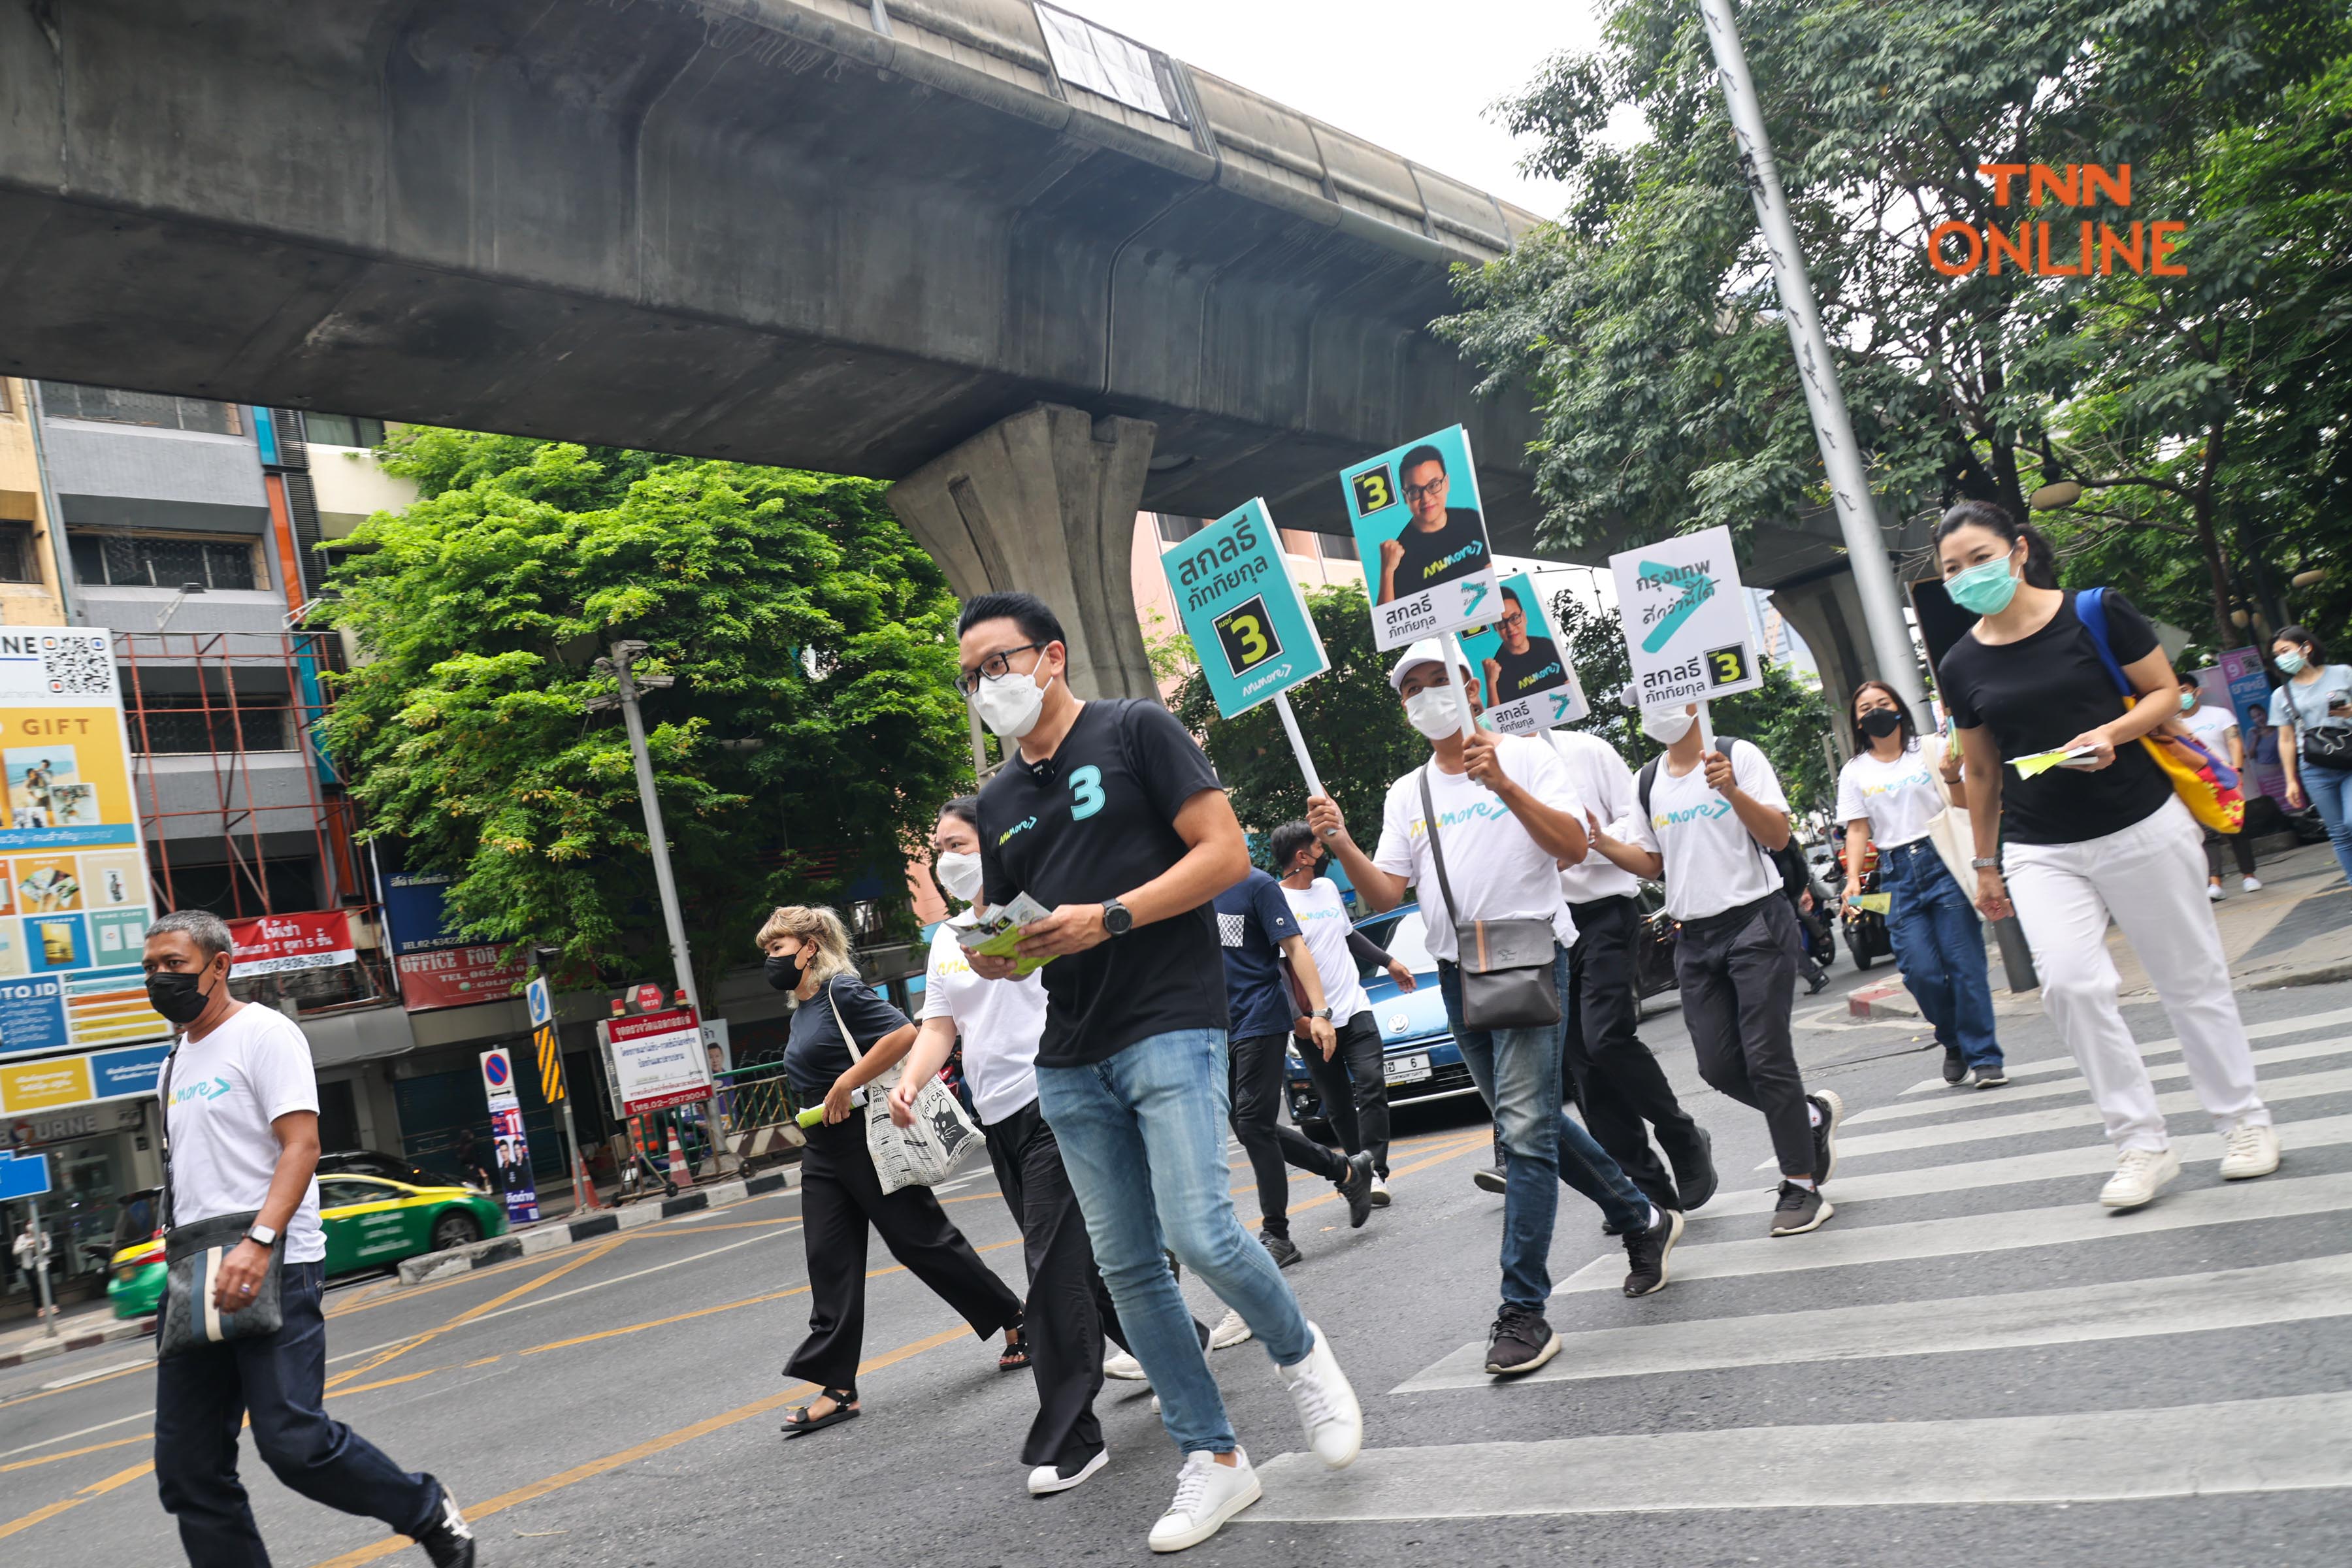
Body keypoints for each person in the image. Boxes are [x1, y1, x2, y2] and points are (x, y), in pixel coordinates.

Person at [958, 591, 1361, 1554]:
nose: (987, 688)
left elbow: (1223, 854)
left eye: (999, 664)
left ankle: (1302, 1357)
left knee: (1200, 1227)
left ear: (1052, 656)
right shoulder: (999, 799)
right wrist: (995, 952)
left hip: (1171, 1018)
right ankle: (1215, 1457)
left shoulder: (1136, 728)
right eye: (971, 676)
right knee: (1132, 1267)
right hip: (1070, 1051)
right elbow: (1019, 925)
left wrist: (1110, 916)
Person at [1311, 640, 1678, 1378]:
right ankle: (1642, 1216)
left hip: (1531, 956)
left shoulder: (1531, 758)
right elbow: (1387, 895)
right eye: (1410, 689)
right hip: (1457, 972)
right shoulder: (1406, 793)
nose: (1424, 697)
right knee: (1531, 1122)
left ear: (1469, 683)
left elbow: (1574, 848)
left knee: (1522, 1133)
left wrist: (1505, 784)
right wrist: (1341, 841)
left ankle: (1524, 1311)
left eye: (1435, 680)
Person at [1934, 500, 2278, 1209]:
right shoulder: (1960, 661)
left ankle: (2244, 1123)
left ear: (2019, 551)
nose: (1967, 576)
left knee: (2190, 980)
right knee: (2069, 986)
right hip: (2038, 847)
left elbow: (2164, 697)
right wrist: (1986, 863)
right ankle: (2141, 1144)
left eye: (1979, 559)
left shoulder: (2094, 611)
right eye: (1952, 569)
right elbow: (1982, 772)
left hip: (2140, 823)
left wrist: (2113, 734)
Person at [143, 910, 474, 1568]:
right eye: (151, 968)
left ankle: (426, 1509)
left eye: (173, 965)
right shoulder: (173, 1061)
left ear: (219, 965)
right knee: (188, 1468)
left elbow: (302, 1145)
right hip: (199, 1270)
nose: (160, 978)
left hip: (276, 1259)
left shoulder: (266, 1034)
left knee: (293, 1442)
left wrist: (261, 1241)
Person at [890, 798, 1128, 1496]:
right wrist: (910, 1081)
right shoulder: (946, 938)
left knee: (1049, 1271)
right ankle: (1184, 1349)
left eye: (956, 842)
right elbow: (940, 1026)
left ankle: (1074, 1437)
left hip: (1058, 1101)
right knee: (1089, 1267)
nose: (943, 857)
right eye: (937, 846)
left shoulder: (1034, 908)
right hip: (1000, 1120)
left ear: (991, 848)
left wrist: (1008, 930)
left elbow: (1030, 976)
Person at [759, 904, 1025, 1437]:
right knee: (828, 1259)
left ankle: (1015, 1320)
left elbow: (905, 1033)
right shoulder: (801, 1008)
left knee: (920, 1241)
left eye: (779, 949)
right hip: (822, 1148)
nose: (771, 959)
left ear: (810, 948)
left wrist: (845, 1083)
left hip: (865, 1137)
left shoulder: (841, 992)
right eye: (767, 951)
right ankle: (838, 1387)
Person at [1586, 702, 1846, 1238]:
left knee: (1767, 1056)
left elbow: (1777, 836)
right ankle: (1809, 1116)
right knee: (1720, 1067)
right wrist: (1602, 842)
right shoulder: (1648, 780)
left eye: (1664, 697)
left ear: (1692, 698)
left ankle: (1801, 1184)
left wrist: (1731, 790)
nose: (1654, 711)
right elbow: (1652, 862)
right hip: (1695, 937)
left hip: (1756, 921)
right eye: (1646, 701)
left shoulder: (1737, 756)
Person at [1543, 725, 1718, 1214]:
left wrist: (1586, 840)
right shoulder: (1487, 776)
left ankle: (1682, 1136)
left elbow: (1639, 827)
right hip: (1542, 930)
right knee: (1585, 1071)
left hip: (1602, 912)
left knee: (1605, 1039)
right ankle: (1647, 1193)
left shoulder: (1586, 750)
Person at [1835, 681, 2006, 1090]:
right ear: (1857, 720)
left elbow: (1966, 806)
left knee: (1965, 966)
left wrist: (1951, 778)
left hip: (1942, 860)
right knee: (1919, 972)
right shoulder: (1855, 771)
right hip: (1894, 875)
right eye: (1865, 708)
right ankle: (1951, 1039)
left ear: (1898, 708)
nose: (1874, 711)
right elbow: (1858, 829)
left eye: (1883, 703)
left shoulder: (1930, 749)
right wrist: (1854, 878)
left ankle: (1984, 1056)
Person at [1213, 864, 1378, 1266]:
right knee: (1253, 1127)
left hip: (1260, 1018)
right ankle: (1346, 1172)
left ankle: (1278, 1234)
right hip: (1215, 1026)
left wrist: (1319, 1011)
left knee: (1253, 1123)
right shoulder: (1186, 888)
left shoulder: (1256, 884)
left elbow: (1295, 947)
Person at [1269, 821, 1411, 1201]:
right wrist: (1297, 1018)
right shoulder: (1277, 900)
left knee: (1371, 1085)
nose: (1324, 851)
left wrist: (1389, 960)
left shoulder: (1328, 888)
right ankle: (1355, 1169)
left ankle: (1376, 1171)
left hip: (1355, 1006)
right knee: (1337, 1104)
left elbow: (1348, 935)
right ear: (1303, 856)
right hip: (1315, 1022)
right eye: (1319, 846)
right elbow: (1280, 965)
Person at [2268, 624, 2352, 888]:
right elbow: (2286, 739)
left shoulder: (2342, 673)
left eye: (2286, 650)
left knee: (2351, 821)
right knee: (2338, 832)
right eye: (2277, 655)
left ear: (2306, 648)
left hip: (2349, 757)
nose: (2282, 658)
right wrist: (2291, 780)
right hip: (2314, 767)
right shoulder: (2282, 695)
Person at [2167, 678, 2261, 900]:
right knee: (2207, 835)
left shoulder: (2219, 715)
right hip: (2194, 783)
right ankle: (2215, 883)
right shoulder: (2170, 723)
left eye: (2185, 690)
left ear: (2197, 692)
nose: (2182, 696)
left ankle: (2249, 876)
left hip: (2224, 780)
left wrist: (2237, 771)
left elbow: (2234, 743)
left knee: (2236, 828)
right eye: (2176, 692)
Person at [1374, 445, 1487, 606]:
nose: (1426, 498)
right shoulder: (1398, 556)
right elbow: (1389, 625)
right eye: (1415, 491)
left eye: (1434, 485)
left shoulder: (1472, 520)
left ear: (1446, 483)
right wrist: (1387, 571)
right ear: (1405, 497)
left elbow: (1490, 575)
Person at [1480, 592, 1566, 705]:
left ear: (1524, 617)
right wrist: (1491, 683)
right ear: (1495, 628)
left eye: (1514, 618)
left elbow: (1568, 684)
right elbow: (1497, 720)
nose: (1510, 628)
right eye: (1501, 623)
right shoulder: (1496, 671)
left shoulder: (1548, 646)